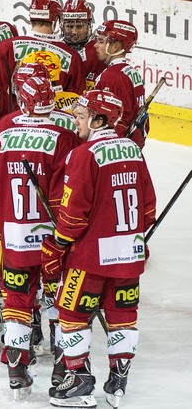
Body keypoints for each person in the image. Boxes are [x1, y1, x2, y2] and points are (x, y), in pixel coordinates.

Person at [41, 89, 154, 408]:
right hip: (130, 256)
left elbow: (74, 213)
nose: (76, 120)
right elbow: (147, 208)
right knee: (122, 314)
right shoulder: (132, 149)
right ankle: (118, 379)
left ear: (98, 119)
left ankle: (78, 379)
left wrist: (59, 243)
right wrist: (132, 236)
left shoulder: (84, 154)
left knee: (71, 313)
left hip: (90, 258)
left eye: (81, 115)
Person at [0, 75, 80, 399]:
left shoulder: (5, 126)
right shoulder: (63, 134)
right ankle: (63, 364)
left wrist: (4, 209)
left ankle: (17, 368)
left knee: (17, 302)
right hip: (53, 238)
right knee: (57, 300)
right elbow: (70, 190)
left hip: (15, 237)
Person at [0, 0, 86, 104]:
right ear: (56, 20)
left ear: (30, 18)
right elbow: (76, 101)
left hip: (14, 119)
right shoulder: (72, 56)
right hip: (53, 118)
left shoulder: (4, 47)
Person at [91, 20, 147, 148]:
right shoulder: (131, 72)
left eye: (101, 41)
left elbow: (115, 120)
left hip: (113, 146)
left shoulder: (111, 77)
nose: (95, 45)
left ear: (115, 47)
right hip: (130, 145)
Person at [61, 0, 103, 92]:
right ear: (62, 26)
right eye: (69, 26)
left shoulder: (99, 49)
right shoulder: (57, 49)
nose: (74, 32)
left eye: (79, 26)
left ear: (89, 26)